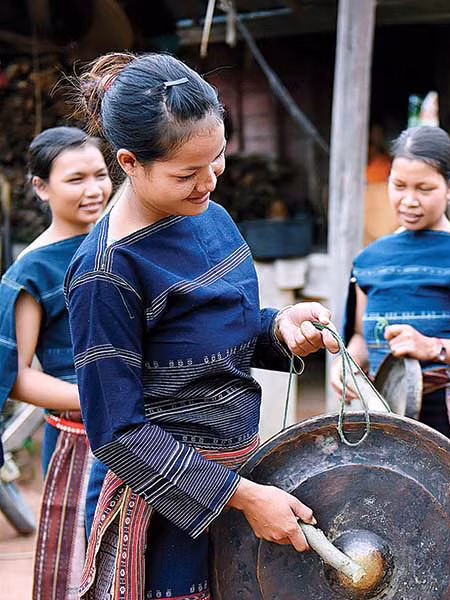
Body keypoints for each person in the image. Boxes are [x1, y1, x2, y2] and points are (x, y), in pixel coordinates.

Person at [65, 52, 340, 600]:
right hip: (170, 507)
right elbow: (117, 433)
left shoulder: (209, 215)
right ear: (130, 162)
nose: (208, 181)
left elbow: (221, 329)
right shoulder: (106, 272)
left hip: (245, 477)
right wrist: (242, 496)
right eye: (186, 173)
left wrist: (281, 329)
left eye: (217, 160)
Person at [333, 125, 450, 437]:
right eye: (399, 186)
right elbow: (360, 336)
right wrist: (347, 365)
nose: (409, 200)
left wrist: (432, 347)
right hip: (384, 413)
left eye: (424, 189)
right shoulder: (369, 261)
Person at [0, 126, 112, 600]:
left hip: (153, 428)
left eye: (101, 175)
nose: (94, 189)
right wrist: (100, 400)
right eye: (76, 179)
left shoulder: (125, 242)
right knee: (83, 563)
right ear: (41, 187)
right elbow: (17, 375)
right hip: (80, 438)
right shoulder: (34, 270)